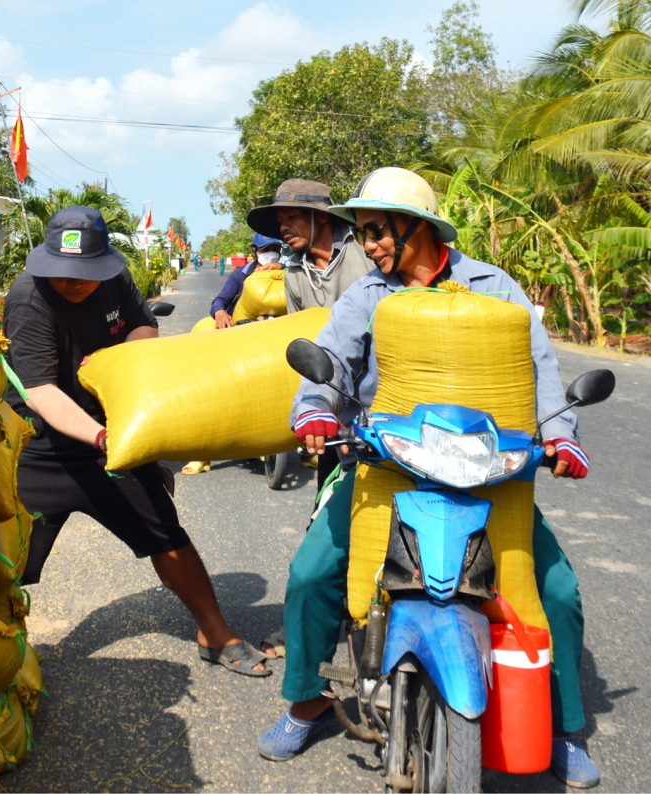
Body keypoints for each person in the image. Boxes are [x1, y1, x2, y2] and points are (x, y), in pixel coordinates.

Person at [256, 168, 599, 789]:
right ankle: (306, 700)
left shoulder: (494, 288)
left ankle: (563, 726)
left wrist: (561, 436)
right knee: (311, 574)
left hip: (487, 473)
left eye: (379, 229)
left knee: (558, 593)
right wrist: (313, 409)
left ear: (420, 227)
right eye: (362, 233)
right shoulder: (367, 295)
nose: (372, 244)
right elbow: (332, 355)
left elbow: (539, 363)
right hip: (386, 466)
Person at [3, 205, 271, 677]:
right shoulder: (28, 298)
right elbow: (41, 391)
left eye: (83, 273)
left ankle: (215, 631)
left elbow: (145, 327)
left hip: (113, 435)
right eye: (63, 274)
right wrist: (102, 436)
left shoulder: (117, 280)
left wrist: (116, 367)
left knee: (166, 535)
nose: (73, 282)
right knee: (10, 560)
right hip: (42, 447)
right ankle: (0, 649)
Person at [245, 178, 374, 491]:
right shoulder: (293, 274)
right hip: (332, 405)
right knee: (328, 505)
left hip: (379, 402)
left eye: (292, 218)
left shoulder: (366, 252)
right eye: (281, 222)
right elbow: (306, 340)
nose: (284, 228)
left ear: (322, 216)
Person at [182, 233, 285, 477]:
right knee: (213, 389)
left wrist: (284, 269)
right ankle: (202, 453)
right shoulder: (240, 275)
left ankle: (309, 452)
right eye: (266, 248)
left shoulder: (288, 274)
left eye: (275, 248)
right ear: (254, 250)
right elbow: (220, 300)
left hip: (276, 341)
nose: (271, 253)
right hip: (242, 338)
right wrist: (219, 312)